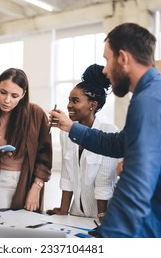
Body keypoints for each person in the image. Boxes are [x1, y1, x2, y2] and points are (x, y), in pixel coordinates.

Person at [49, 22, 161, 237]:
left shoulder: (150, 101)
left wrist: (107, 236)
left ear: (123, 58)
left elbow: (135, 182)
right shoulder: (158, 93)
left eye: (106, 59)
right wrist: (72, 127)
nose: (104, 70)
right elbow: (118, 144)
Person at [0, 68, 52, 212]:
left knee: (26, 230)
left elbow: (45, 156)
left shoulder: (36, 114)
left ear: (23, 95)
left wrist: (37, 186)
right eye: (3, 92)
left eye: (14, 95)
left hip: (27, 181)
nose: (7, 100)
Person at [47, 64, 119, 220]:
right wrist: (63, 209)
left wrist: (102, 216)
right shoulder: (66, 133)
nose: (69, 105)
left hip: (103, 214)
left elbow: (104, 181)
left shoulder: (109, 131)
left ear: (92, 105)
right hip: (76, 213)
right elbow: (67, 174)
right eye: (69, 100)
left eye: (75, 100)